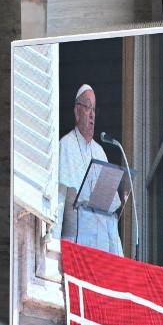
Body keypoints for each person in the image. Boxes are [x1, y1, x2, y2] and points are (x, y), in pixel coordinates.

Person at [56, 83, 123, 255]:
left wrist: (118, 256)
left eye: (94, 109)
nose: (92, 114)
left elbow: (109, 214)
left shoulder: (100, 153)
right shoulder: (65, 146)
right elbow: (59, 202)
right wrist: (54, 249)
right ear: (77, 112)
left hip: (101, 250)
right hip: (75, 246)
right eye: (88, 108)